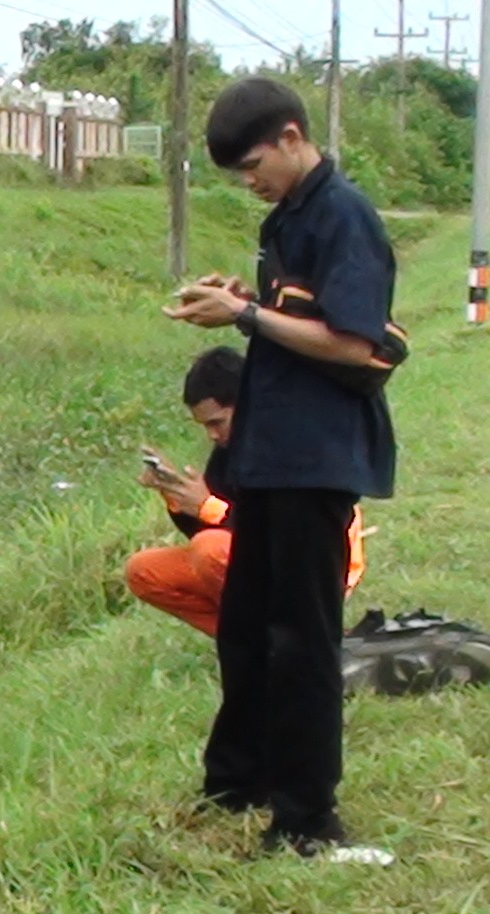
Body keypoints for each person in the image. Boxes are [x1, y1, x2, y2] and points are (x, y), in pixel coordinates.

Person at [162, 77, 398, 862]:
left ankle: (307, 820)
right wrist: (242, 299)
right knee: (246, 626)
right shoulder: (285, 221)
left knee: (302, 638)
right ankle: (238, 781)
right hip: (268, 454)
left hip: (314, 456)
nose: (251, 181)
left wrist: (248, 318)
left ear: (293, 136)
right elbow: (293, 318)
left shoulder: (343, 217)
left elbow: (358, 344)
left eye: (256, 164)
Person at [125, 346, 365, 638]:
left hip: (318, 570)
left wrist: (208, 507)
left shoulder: (295, 440)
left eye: (217, 422)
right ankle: (253, 640)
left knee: (210, 550)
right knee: (144, 571)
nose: (212, 435)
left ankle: (298, 636)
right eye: (205, 426)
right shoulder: (230, 449)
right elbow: (212, 528)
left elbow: (290, 531)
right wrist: (177, 496)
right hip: (267, 561)